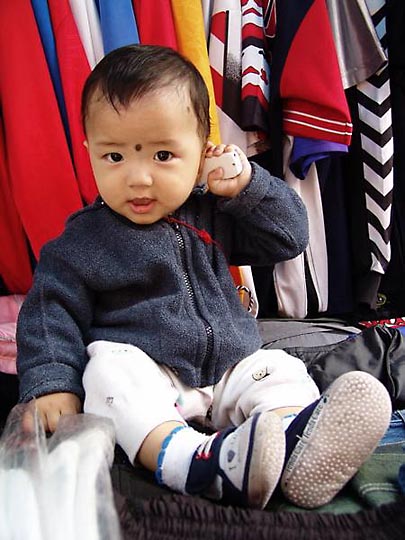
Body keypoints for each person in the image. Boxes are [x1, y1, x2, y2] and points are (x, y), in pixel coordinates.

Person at [16, 44, 391, 511]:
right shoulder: (82, 243)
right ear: (90, 150)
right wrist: (51, 384)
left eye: (163, 155)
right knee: (107, 372)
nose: (138, 178)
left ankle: (295, 444)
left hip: (229, 367)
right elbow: (50, 313)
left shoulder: (214, 213)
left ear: (201, 152)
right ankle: (190, 462)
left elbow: (288, 238)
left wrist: (247, 188)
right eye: (115, 157)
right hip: (153, 379)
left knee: (281, 371)